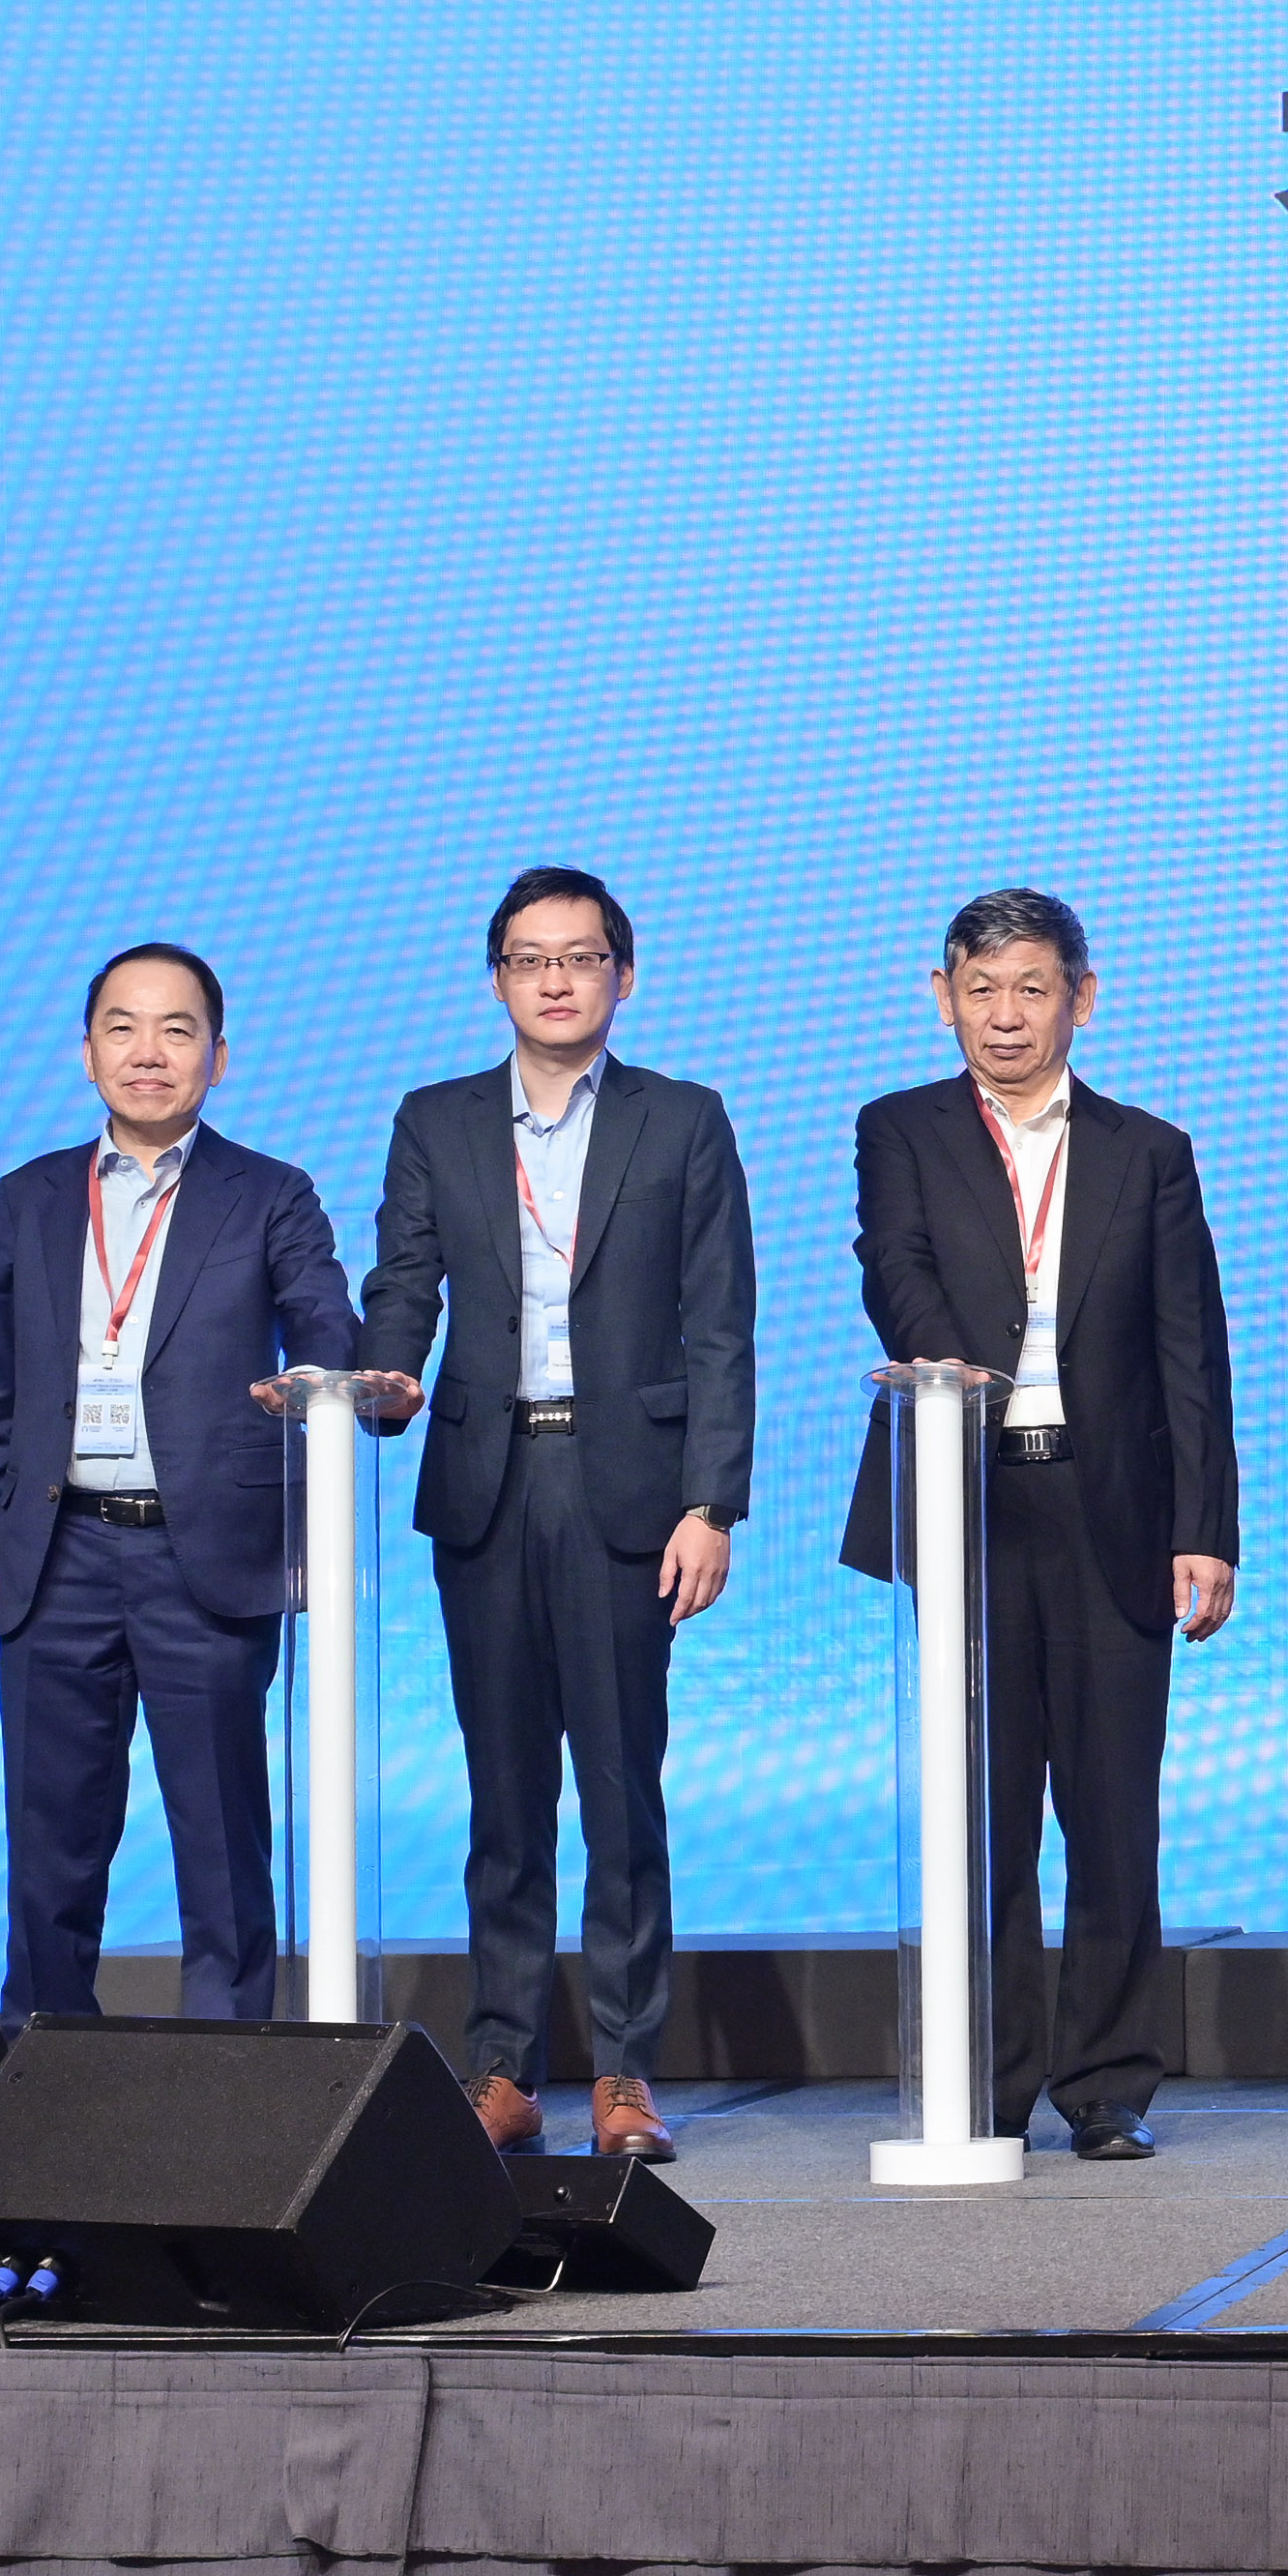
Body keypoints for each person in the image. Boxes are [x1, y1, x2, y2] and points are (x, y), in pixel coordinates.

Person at [356, 867, 756, 2163]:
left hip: (626, 1486)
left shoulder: (681, 1120)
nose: (556, 979)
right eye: (530, 959)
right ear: (498, 982)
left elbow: (719, 1323)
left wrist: (712, 1502)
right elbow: (404, 1280)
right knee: (504, 1794)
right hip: (488, 1479)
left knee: (623, 1791)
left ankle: (626, 2074)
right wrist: (385, 1377)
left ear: (622, 976)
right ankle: (503, 2067)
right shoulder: (436, 1120)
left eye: (580, 957)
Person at [839, 890, 1238, 2159]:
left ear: (1081, 997)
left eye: (1030, 988)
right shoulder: (899, 1128)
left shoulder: (1147, 1150)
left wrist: (1206, 1526)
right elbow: (894, 1268)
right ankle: (992, 2081)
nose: (1004, 1015)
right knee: (986, 1812)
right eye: (980, 988)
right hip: (969, 1497)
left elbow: (1190, 1348)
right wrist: (957, 1376)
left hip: (1111, 1505)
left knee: (1113, 1815)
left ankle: (1107, 2086)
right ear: (941, 996)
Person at [0, 944, 360, 2025]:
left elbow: (326, 1324)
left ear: (218, 1058)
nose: (149, 1052)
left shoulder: (270, 1193)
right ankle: (45, 2068)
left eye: (177, 1030)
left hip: (209, 1558)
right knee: (50, 1839)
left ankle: (229, 2077)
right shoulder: (29, 1196)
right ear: (87, 1052)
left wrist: (341, 1383)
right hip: (56, 1552)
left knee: (221, 1841)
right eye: (123, 1028)